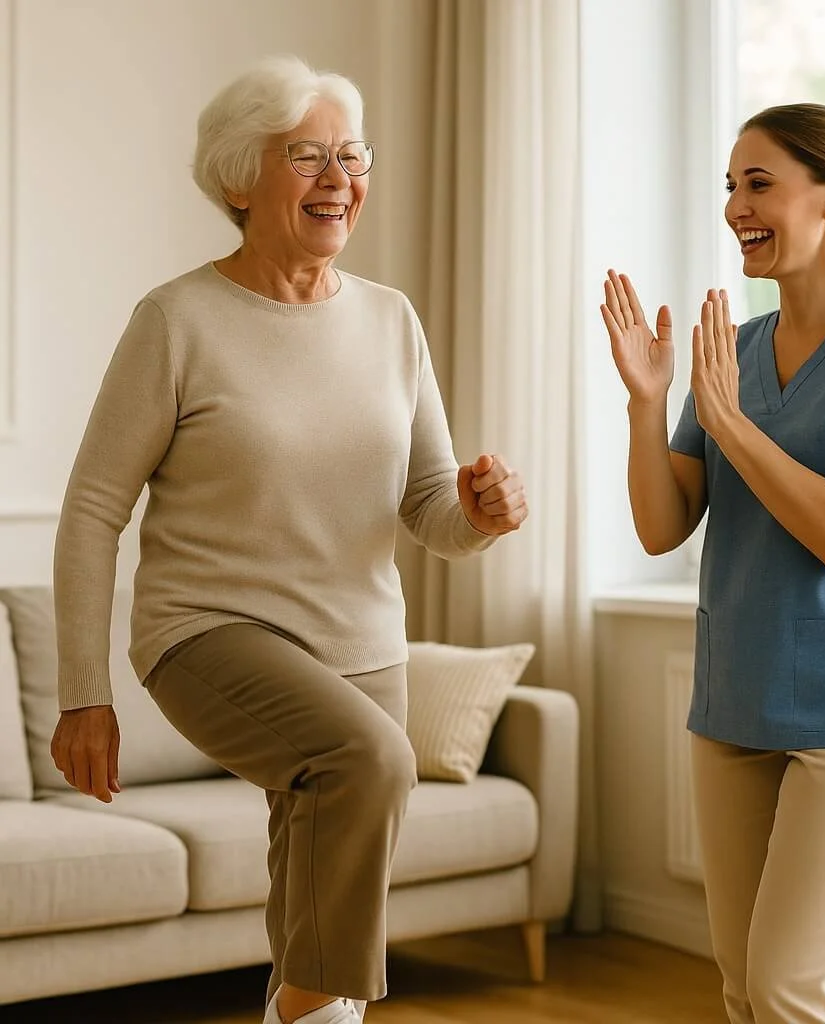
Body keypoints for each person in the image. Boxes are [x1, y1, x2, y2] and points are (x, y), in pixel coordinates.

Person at [48, 55, 527, 1024]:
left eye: (352, 155)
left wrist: (477, 516)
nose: (339, 178)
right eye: (308, 156)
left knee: (311, 895)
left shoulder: (391, 320)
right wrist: (83, 695)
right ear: (238, 177)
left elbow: (428, 503)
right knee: (374, 760)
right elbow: (93, 509)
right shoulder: (177, 320)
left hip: (363, 644)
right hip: (206, 631)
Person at [601, 102, 825, 1023]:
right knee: (742, 990)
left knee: (793, 987)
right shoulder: (737, 352)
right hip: (736, 698)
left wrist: (733, 427)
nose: (734, 208)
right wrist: (650, 404)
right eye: (729, 186)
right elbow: (659, 526)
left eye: (758, 183)